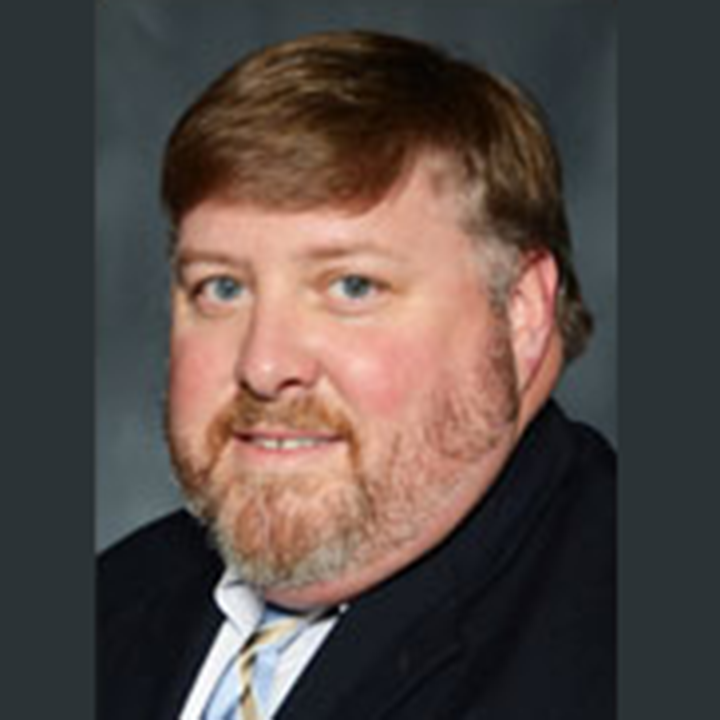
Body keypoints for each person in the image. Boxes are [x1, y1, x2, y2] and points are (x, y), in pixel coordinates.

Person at [98, 29, 615, 720]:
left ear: (520, 311)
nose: (264, 366)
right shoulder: (111, 602)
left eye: (352, 286)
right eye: (222, 288)